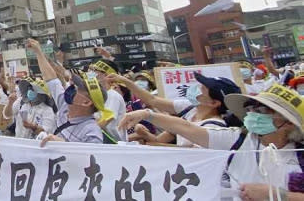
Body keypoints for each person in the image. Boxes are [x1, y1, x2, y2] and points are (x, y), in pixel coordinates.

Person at [119, 82, 304, 191]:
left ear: (287, 122)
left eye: (262, 109)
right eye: (251, 108)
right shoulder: (238, 140)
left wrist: (274, 195)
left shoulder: (299, 155)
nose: (253, 113)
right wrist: (147, 115)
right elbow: (186, 128)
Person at [109, 71, 241, 147]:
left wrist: (147, 114)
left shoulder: (214, 127)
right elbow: (152, 100)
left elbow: (187, 137)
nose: (196, 89)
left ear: (214, 103)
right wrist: (125, 81)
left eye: (203, 89)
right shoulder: (189, 108)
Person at [31, 39, 108, 145]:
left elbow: (92, 158)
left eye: (77, 89)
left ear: (86, 102)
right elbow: (51, 79)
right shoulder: (65, 106)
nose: (71, 88)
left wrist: (63, 144)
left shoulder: (92, 132)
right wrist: (38, 51)